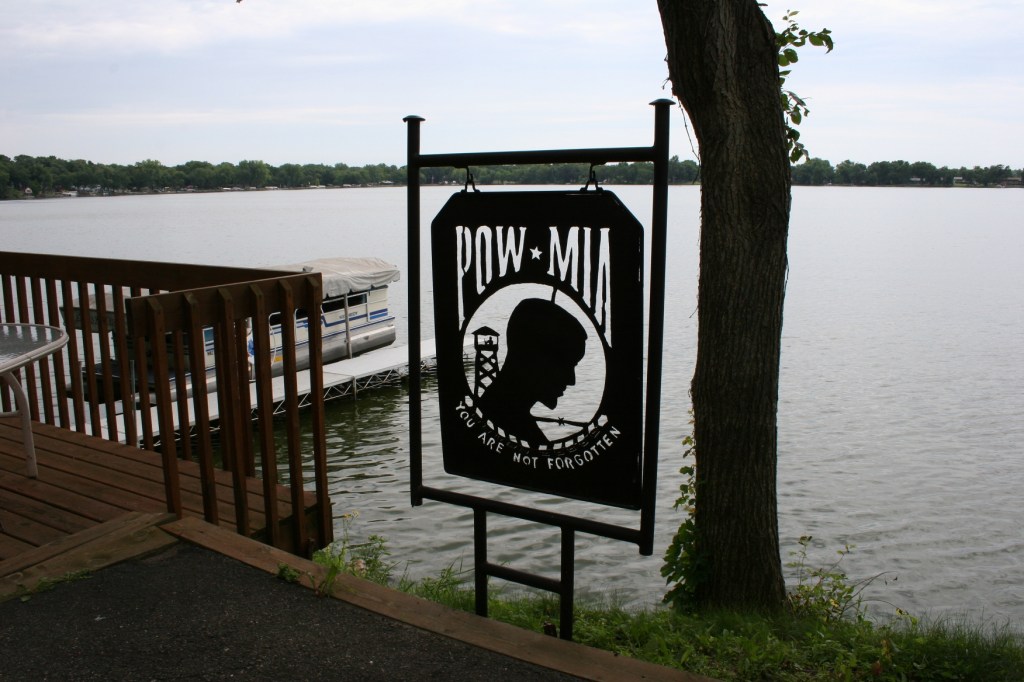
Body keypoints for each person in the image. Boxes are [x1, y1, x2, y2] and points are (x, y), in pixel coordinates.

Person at [476, 297, 586, 445]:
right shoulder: (525, 435)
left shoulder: (484, 421)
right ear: (533, 358)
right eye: (565, 365)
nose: (571, 381)